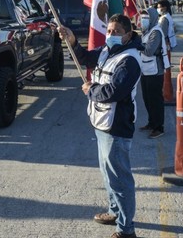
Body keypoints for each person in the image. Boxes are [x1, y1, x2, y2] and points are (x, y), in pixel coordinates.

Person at [57, 14, 141, 238]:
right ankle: (114, 211)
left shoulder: (129, 60)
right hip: (102, 122)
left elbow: (115, 91)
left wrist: (90, 90)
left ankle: (126, 229)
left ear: (128, 35)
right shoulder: (106, 51)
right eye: (110, 30)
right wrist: (73, 40)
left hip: (117, 125)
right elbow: (85, 57)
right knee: (107, 174)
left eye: (116, 32)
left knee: (120, 179)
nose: (111, 35)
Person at [138, 7, 169, 139]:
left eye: (146, 18)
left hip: (155, 71)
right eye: (142, 17)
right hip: (145, 70)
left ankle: (158, 127)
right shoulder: (146, 31)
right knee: (147, 99)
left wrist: (136, 44)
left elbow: (149, 51)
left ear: (152, 18)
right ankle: (151, 123)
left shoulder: (156, 32)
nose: (143, 20)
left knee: (155, 100)